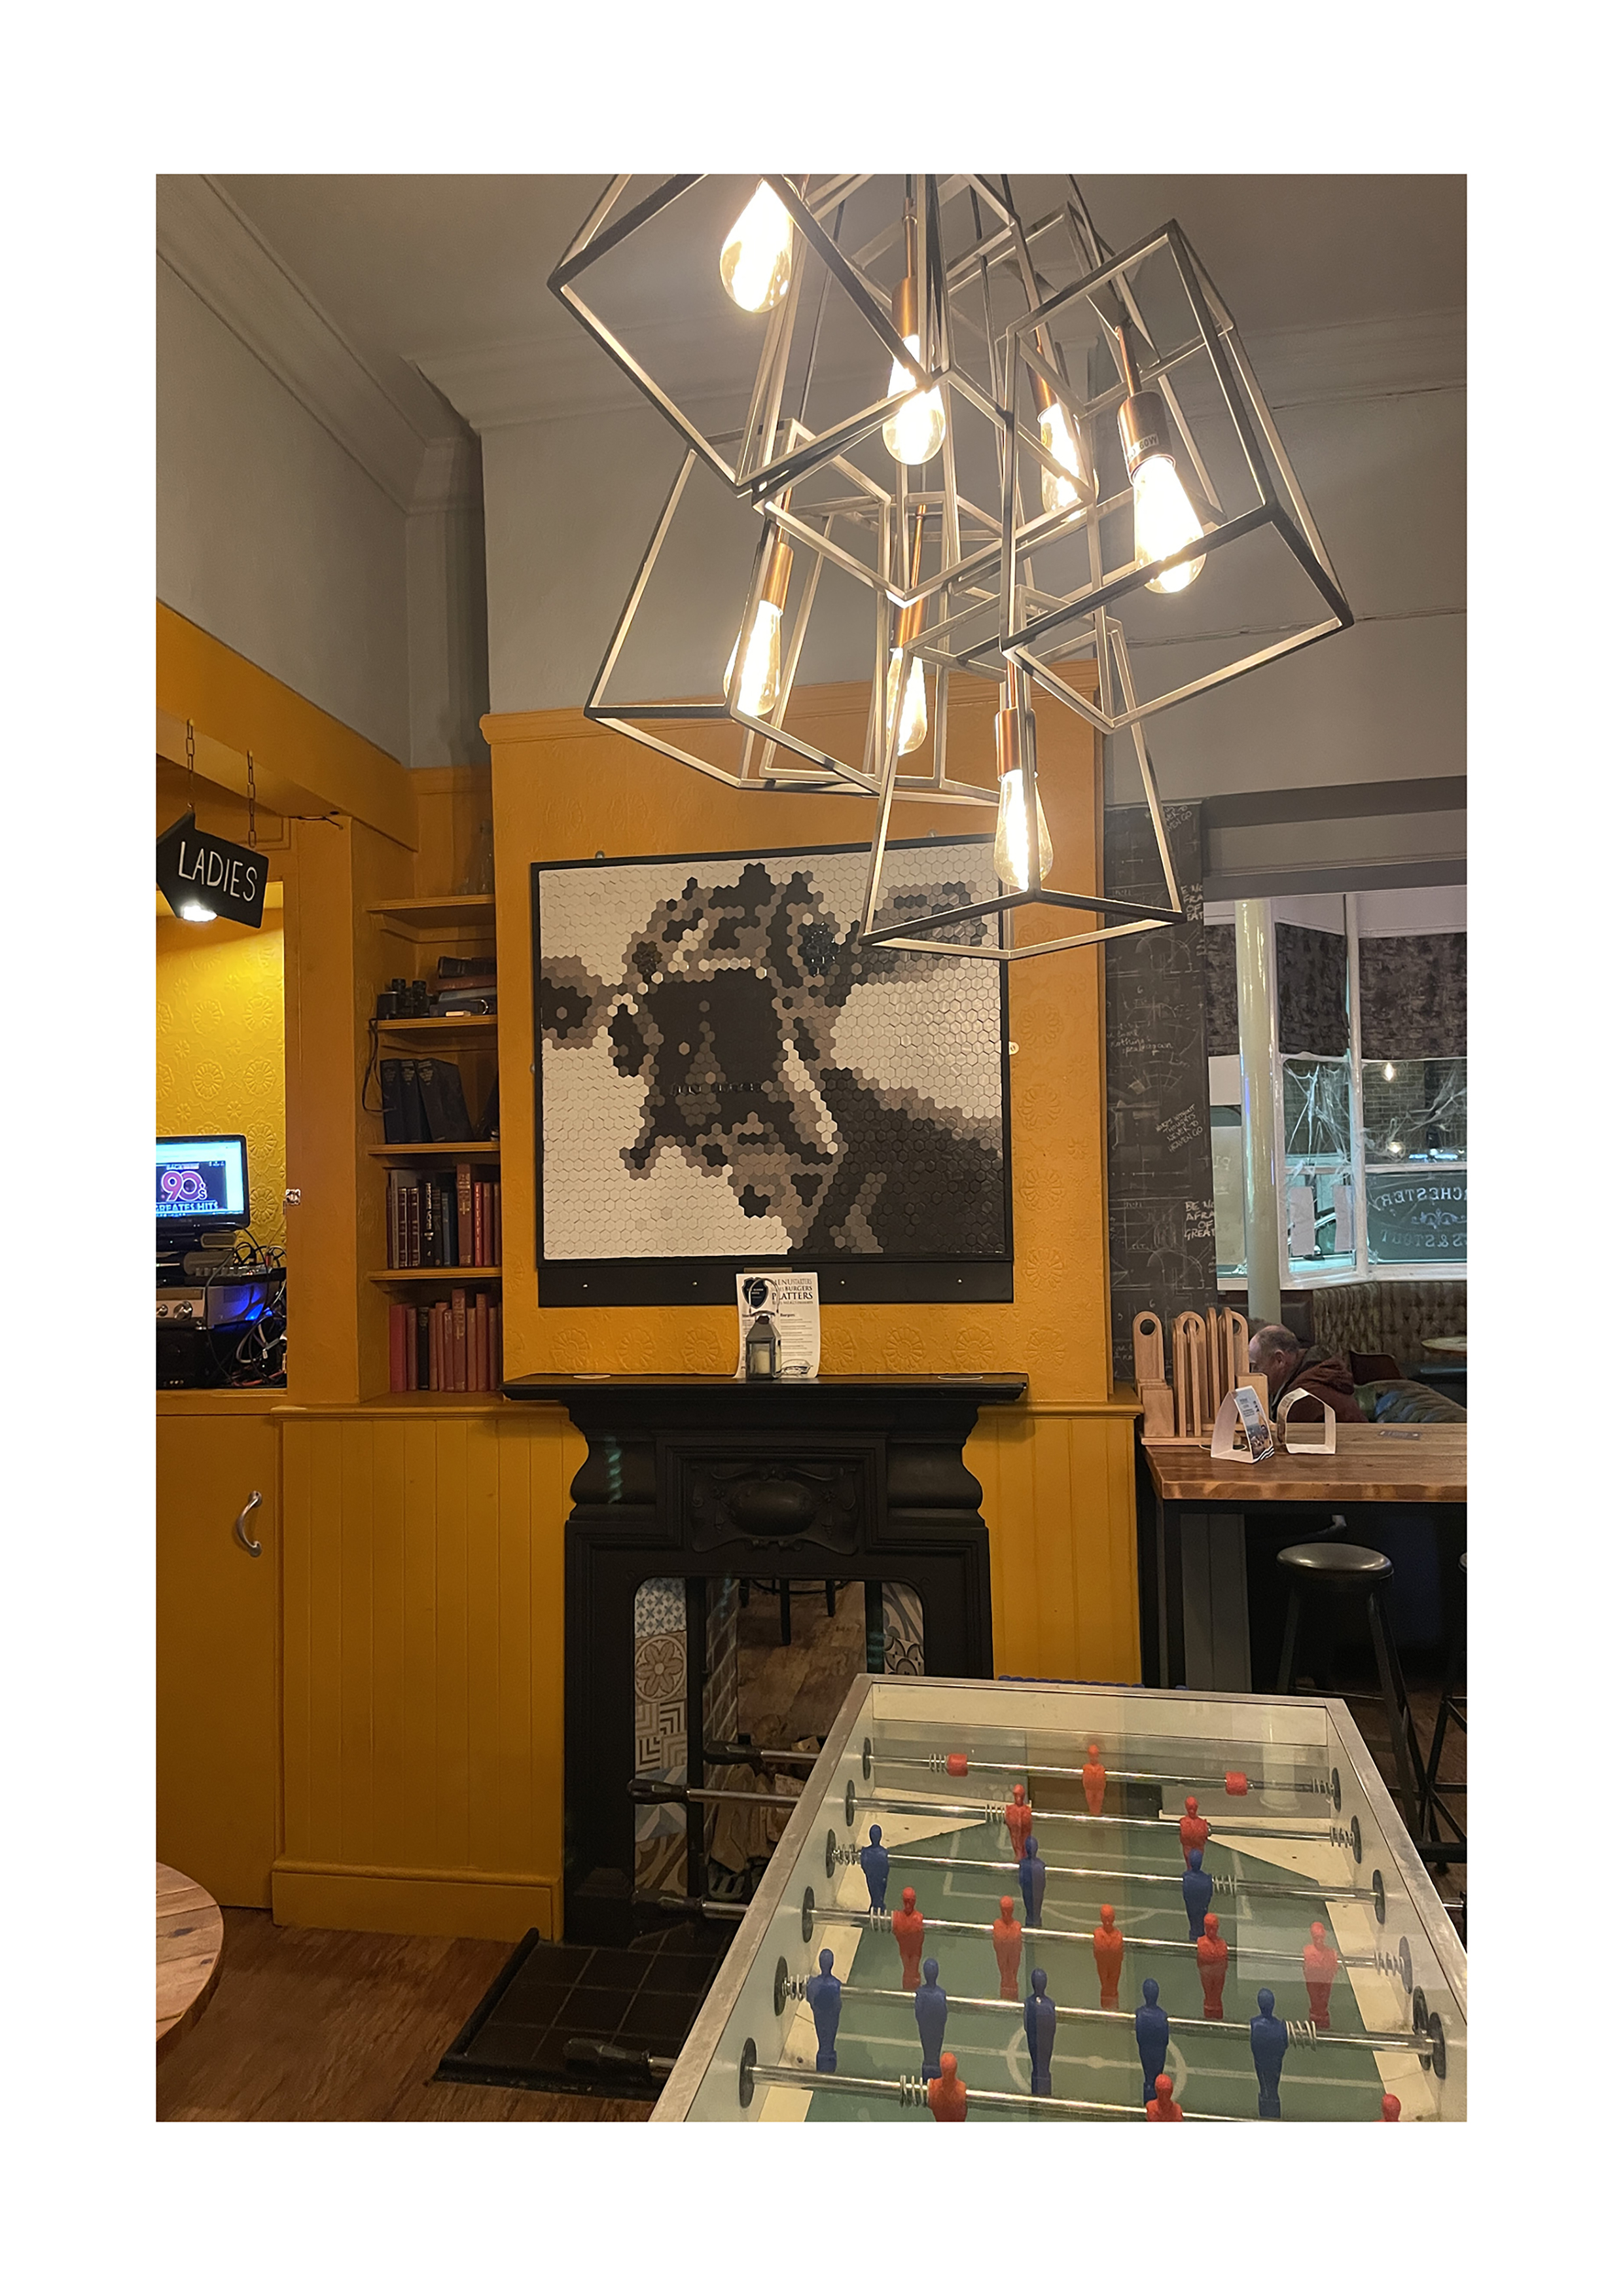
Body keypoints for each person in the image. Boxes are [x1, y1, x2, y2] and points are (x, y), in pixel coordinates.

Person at [1248, 1323, 1366, 1424]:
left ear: (1280, 1360)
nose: (1253, 1373)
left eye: (1256, 1366)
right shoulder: (1317, 1373)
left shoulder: (1302, 1396)